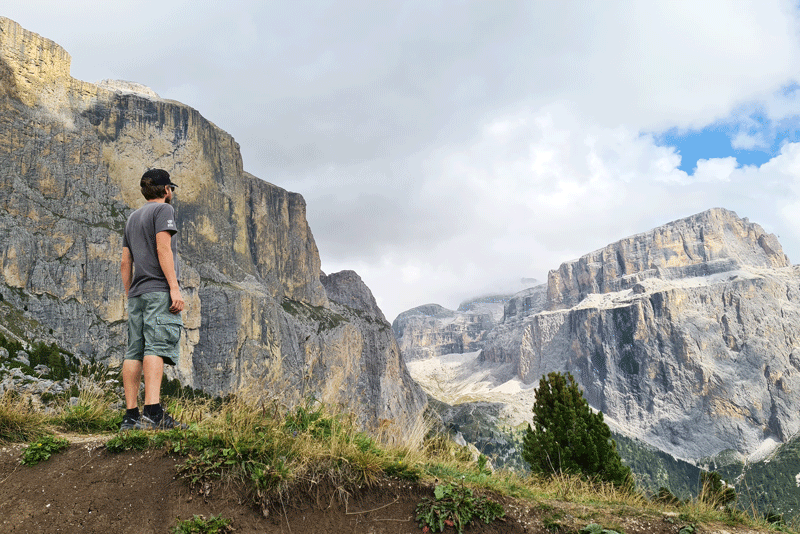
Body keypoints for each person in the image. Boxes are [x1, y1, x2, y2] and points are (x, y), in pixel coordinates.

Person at [119, 169, 187, 430]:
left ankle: (131, 416)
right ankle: (153, 412)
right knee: (155, 347)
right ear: (166, 190)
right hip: (158, 289)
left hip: (137, 293)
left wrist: (130, 293)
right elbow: (163, 248)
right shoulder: (164, 212)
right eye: (172, 189)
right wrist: (174, 288)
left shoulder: (132, 218)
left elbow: (125, 262)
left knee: (133, 350)